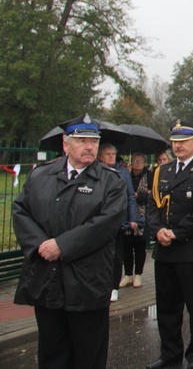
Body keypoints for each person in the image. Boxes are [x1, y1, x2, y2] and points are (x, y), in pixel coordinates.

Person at [13, 114, 127, 368]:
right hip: (47, 279)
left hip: (88, 283)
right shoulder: (40, 176)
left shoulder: (112, 181)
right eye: (82, 140)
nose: (89, 146)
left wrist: (61, 246)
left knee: (88, 354)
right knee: (52, 352)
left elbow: (105, 224)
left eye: (94, 141)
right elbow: (20, 211)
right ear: (66, 144)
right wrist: (41, 245)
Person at [146, 120, 193, 369]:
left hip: (189, 250)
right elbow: (152, 207)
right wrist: (157, 231)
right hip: (164, 250)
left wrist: (175, 233)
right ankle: (169, 355)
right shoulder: (161, 172)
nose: (177, 146)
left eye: (183, 142)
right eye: (174, 142)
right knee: (166, 307)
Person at [97, 143, 137, 303]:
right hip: (100, 221)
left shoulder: (122, 172)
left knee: (116, 256)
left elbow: (130, 196)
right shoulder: (96, 170)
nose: (111, 157)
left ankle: (114, 287)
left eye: (113, 154)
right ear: (100, 156)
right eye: (107, 154)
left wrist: (132, 218)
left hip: (118, 221)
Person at [123, 152, 150, 289]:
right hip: (128, 214)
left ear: (144, 163)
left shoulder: (148, 176)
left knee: (140, 246)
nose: (137, 164)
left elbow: (151, 195)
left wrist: (138, 195)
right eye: (135, 161)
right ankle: (128, 274)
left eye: (140, 161)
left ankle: (138, 274)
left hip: (143, 215)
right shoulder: (126, 175)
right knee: (126, 246)